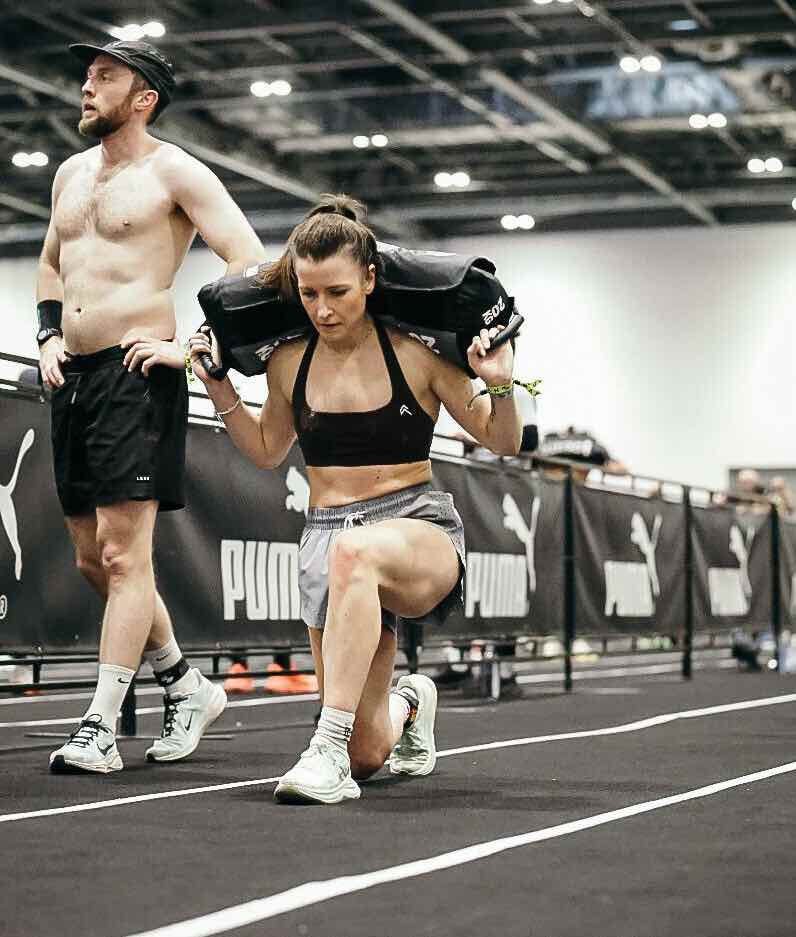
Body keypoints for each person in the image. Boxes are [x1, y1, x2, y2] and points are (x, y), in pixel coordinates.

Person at [188, 194, 522, 804]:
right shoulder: (288, 362)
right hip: (325, 534)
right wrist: (218, 388)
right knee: (368, 754)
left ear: (369, 279)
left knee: (356, 552)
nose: (323, 309)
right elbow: (265, 449)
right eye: (309, 294)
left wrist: (500, 386)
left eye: (337, 292)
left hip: (415, 527)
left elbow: (503, 440)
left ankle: (323, 750)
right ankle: (409, 702)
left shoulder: (417, 353)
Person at [36, 39, 267, 774]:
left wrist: (191, 347)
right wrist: (46, 335)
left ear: (144, 100)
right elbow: (51, 261)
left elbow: (250, 260)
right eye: (87, 75)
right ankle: (185, 684)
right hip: (75, 377)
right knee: (91, 560)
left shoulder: (176, 171)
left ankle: (100, 727)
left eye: (105, 77)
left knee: (122, 554)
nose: (87, 86)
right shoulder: (71, 174)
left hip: (138, 375)